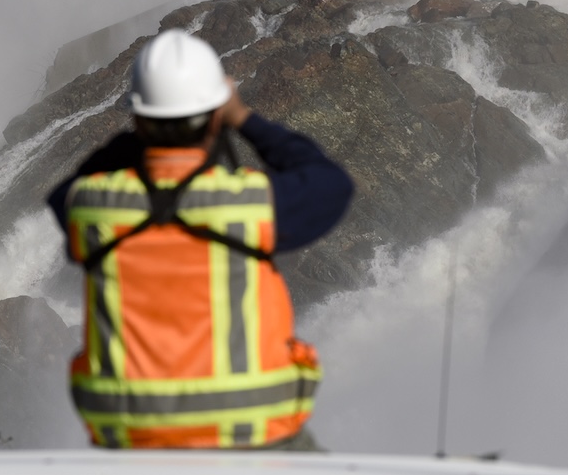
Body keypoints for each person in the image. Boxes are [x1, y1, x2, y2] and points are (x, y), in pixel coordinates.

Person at [48, 31, 353, 450]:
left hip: (133, 441)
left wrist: (141, 138)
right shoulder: (249, 203)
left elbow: (68, 189)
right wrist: (244, 118)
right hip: (253, 438)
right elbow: (330, 183)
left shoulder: (91, 207)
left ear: (138, 121)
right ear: (215, 117)